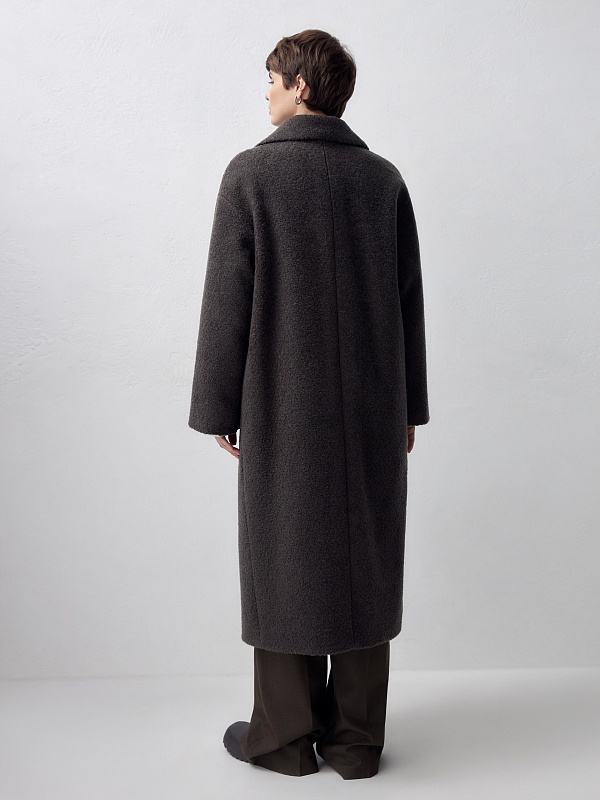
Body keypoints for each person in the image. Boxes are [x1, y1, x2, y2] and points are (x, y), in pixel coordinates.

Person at [188, 29, 430, 780]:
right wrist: (410, 408)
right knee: (365, 553)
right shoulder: (382, 180)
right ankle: (356, 743)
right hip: (372, 406)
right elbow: (408, 303)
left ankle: (285, 739)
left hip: (281, 402)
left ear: (300, 87)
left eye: (272, 78)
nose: (265, 91)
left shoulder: (252, 176)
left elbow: (228, 300)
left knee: (285, 553)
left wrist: (217, 406)